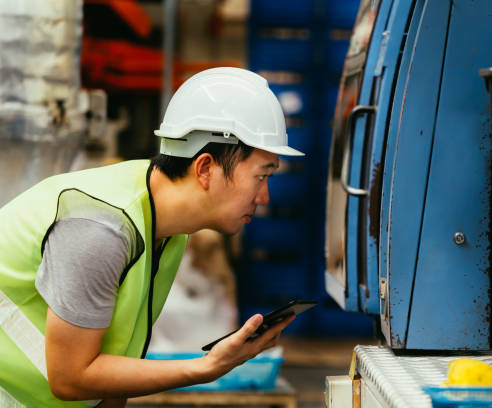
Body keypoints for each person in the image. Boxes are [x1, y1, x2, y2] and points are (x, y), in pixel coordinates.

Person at [0, 67, 304, 407]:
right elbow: (70, 378)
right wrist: (206, 368)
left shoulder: (168, 230)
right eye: (261, 176)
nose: (264, 197)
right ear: (205, 168)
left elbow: (114, 359)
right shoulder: (101, 228)